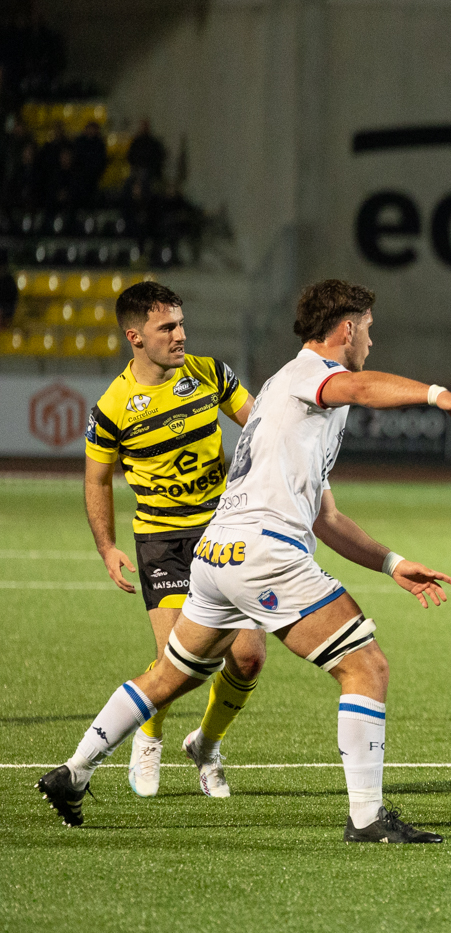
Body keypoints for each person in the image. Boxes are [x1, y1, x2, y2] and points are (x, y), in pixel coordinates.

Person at [39, 279, 451, 842]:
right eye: (369, 330)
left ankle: (73, 770)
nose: (371, 342)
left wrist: (393, 563)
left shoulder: (284, 387)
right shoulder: (311, 377)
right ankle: (368, 818)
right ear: (346, 330)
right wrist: (438, 395)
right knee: (366, 667)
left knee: (169, 675)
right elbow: (365, 387)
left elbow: (326, 520)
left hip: (215, 552)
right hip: (262, 552)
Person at [83, 282, 259, 798]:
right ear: (135, 336)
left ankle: (206, 746)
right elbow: (97, 479)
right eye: (168, 327)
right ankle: (150, 732)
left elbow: (262, 426)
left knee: (248, 659)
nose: (180, 334)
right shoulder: (114, 405)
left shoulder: (210, 373)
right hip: (161, 538)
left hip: (223, 530)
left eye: (181, 323)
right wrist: (107, 546)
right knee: (180, 664)